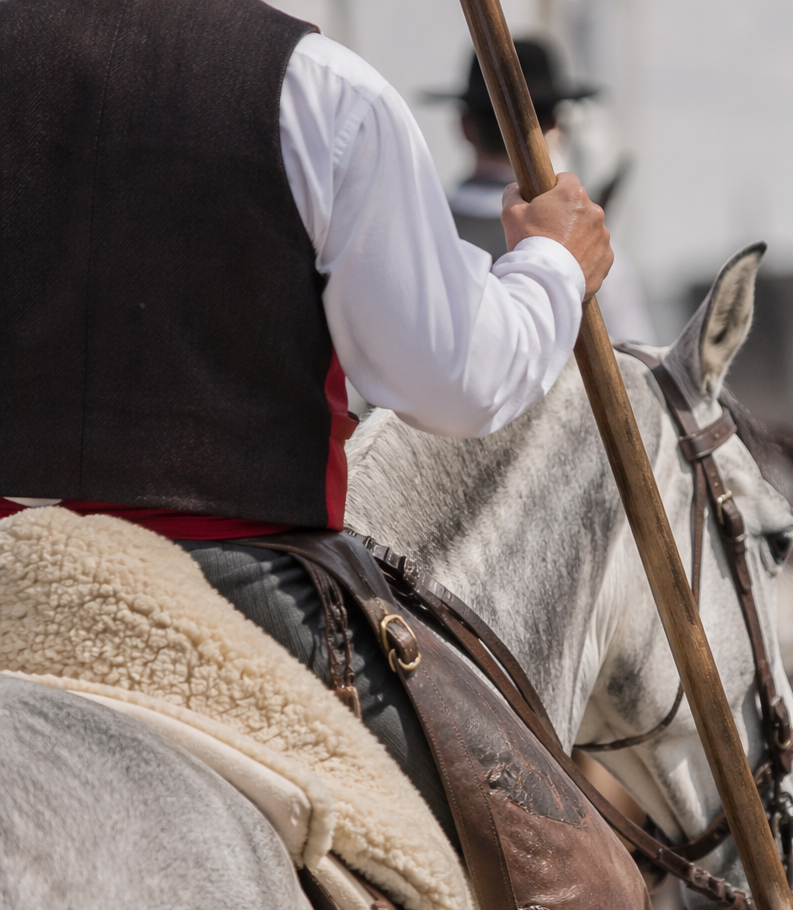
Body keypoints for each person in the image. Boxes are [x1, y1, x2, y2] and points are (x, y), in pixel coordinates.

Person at [0, 0, 611, 842]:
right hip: (236, 589)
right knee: (562, 858)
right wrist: (552, 266)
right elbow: (455, 380)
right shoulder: (320, 91)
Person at [433, 41, 657, 346]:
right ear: (557, 125)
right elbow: (636, 374)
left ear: (462, 126)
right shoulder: (596, 253)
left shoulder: (419, 237)